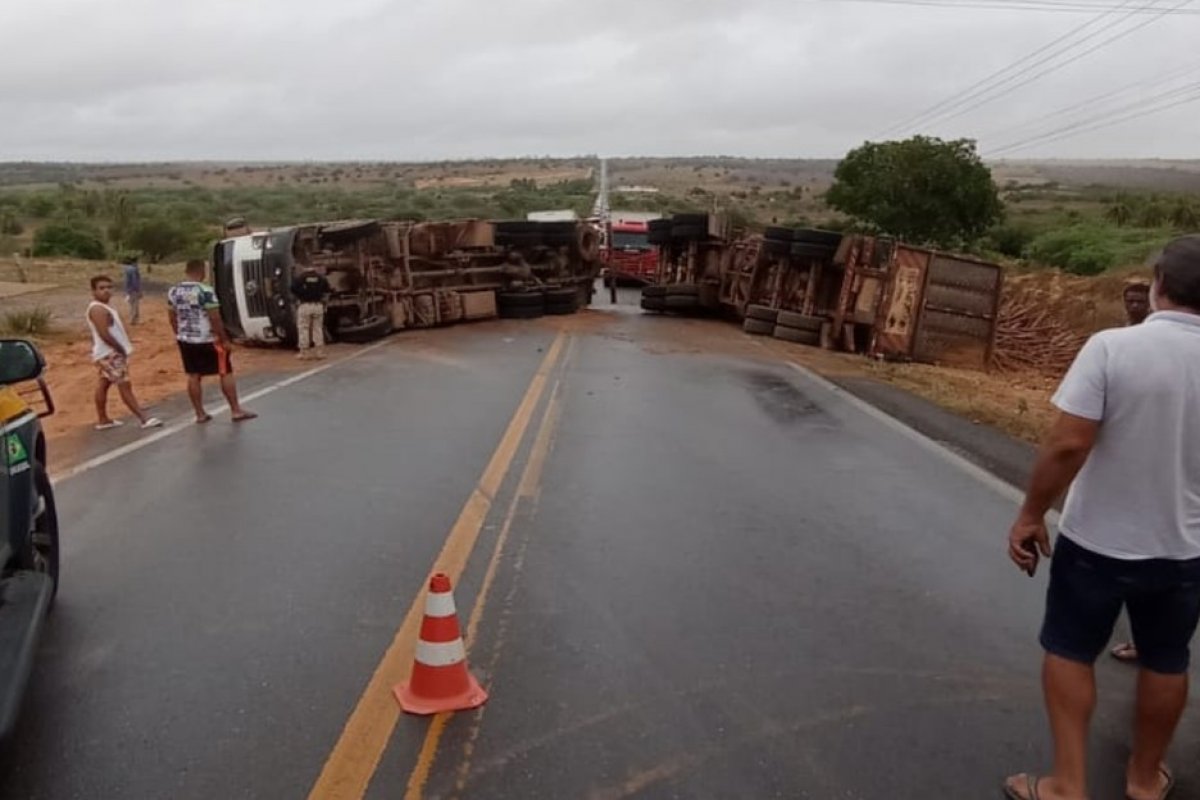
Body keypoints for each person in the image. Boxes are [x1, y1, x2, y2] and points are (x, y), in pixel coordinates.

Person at [1004, 234, 1200, 800]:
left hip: (1098, 544)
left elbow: (1068, 445)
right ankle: (1143, 779)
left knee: (1069, 649)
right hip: (1185, 550)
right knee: (1167, 660)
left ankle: (1067, 785)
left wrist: (1030, 514)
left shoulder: (1113, 348)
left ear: (1159, 285)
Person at [1110, 279, 1155, 665]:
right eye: (1130, 299)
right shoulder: (1123, 335)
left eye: (1141, 298)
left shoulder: (1150, 341)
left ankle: (1146, 642)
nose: (1135, 304)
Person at [167, 260, 257, 424]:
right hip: (207, 338)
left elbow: (172, 316)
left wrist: (179, 333)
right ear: (202, 271)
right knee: (225, 371)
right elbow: (214, 317)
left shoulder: (174, 291)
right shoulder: (205, 291)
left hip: (186, 338)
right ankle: (235, 410)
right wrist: (224, 339)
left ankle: (200, 413)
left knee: (193, 375)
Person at [86, 275, 162, 431]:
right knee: (124, 384)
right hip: (110, 353)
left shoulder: (105, 307)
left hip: (105, 353)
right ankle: (143, 418)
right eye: (102, 288)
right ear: (93, 291)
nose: (106, 291)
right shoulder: (97, 309)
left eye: (109, 287)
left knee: (104, 384)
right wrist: (119, 348)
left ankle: (103, 419)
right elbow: (104, 333)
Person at [290, 262, 331, 360]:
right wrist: (324, 303)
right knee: (318, 328)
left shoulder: (300, 278)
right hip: (318, 305)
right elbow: (327, 291)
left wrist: (300, 296)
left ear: (304, 267)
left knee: (303, 328)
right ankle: (320, 352)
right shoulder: (321, 278)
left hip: (304, 305)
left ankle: (304, 353)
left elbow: (292, 289)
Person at [122, 256, 143, 325]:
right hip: (133, 290)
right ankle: (134, 320)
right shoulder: (134, 269)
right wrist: (138, 290)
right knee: (135, 305)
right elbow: (135, 281)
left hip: (128, 290)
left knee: (131, 305)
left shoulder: (126, 269)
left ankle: (133, 319)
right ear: (135, 262)